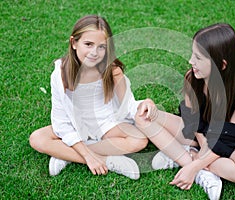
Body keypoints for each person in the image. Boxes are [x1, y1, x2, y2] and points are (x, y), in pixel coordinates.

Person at [135, 23, 235, 199]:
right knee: (143, 118)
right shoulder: (192, 78)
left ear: (222, 65)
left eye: (198, 57)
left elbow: (228, 137)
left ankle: (186, 159)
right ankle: (194, 162)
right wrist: (203, 147)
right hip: (196, 132)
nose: (190, 61)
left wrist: (197, 164)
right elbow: (193, 121)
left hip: (226, 140)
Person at [29, 15, 157, 180]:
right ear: (74, 43)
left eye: (101, 47)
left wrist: (143, 104)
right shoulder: (60, 73)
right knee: (37, 138)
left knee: (139, 139)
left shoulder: (112, 70)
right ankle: (107, 160)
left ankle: (65, 153)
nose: (94, 53)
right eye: (88, 44)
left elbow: (127, 105)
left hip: (105, 122)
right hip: (74, 123)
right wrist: (88, 157)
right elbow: (61, 121)